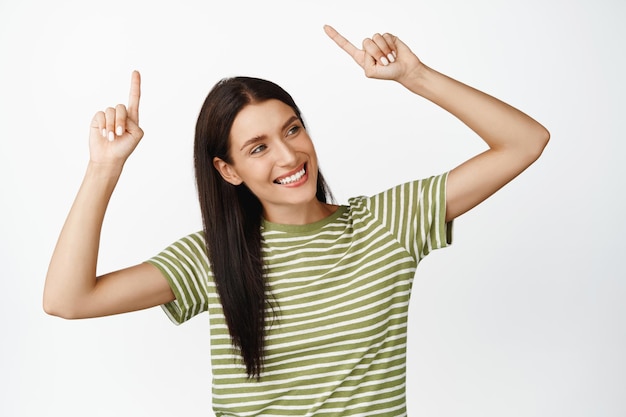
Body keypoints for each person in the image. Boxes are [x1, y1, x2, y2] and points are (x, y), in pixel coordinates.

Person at [43, 25, 549, 416]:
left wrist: (415, 76)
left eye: (292, 129)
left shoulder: (387, 224)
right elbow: (68, 300)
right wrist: (104, 167)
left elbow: (525, 142)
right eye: (258, 148)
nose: (288, 156)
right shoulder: (212, 257)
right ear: (228, 170)